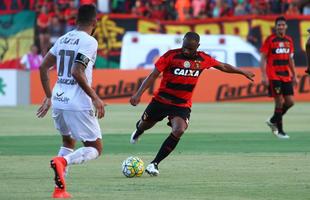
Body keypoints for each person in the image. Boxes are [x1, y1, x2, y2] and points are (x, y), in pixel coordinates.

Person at [129, 32, 255, 176]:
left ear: (197, 46)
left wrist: (242, 72)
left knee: (179, 130)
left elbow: (223, 66)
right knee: (144, 124)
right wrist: (138, 94)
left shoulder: (203, 58)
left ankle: (154, 164)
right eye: (184, 47)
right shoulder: (171, 55)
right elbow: (153, 75)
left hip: (181, 104)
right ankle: (139, 131)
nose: (186, 51)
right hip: (161, 100)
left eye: (190, 48)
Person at [36, 4, 105, 198]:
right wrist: (95, 97)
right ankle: (63, 162)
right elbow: (77, 71)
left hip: (59, 100)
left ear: (75, 21)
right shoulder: (90, 41)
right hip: (78, 103)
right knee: (95, 148)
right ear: (95, 22)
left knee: (68, 141)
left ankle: (59, 189)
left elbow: (42, 67)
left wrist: (49, 96)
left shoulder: (63, 39)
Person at [260, 16, 297, 139]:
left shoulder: (289, 40)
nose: (281, 27)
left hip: (286, 75)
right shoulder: (270, 40)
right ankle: (280, 131)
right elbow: (263, 58)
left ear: (286, 26)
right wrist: (264, 75)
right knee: (279, 102)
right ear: (275, 27)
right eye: (279, 25)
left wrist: (295, 75)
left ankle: (273, 120)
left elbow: (290, 59)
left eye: (282, 25)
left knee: (290, 102)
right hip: (274, 75)